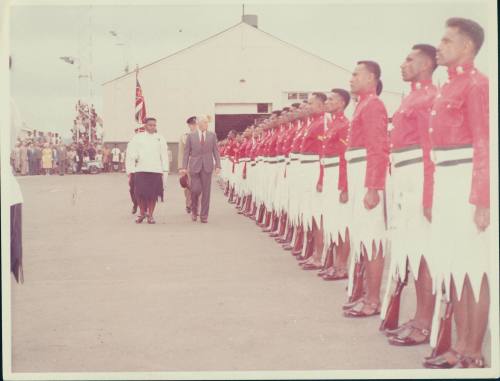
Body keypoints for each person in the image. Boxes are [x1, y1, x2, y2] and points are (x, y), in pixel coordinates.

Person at [423, 17, 490, 369]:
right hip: (447, 182)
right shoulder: (445, 88)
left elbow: (483, 141)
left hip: (465, 181)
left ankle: (473, 350)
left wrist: (482, 198)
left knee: (473, 267)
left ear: (466, 46)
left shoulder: (477, 84)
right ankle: (461, 344)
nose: (440, 46)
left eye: (447, 41)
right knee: (454, 264)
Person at [380, 44, 438, 347]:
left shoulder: (429, 97)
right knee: (412, 250)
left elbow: (431, 149)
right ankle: (417, 316)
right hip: (403, 175)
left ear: (427, 64)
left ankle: (426, 323)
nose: (403, 64)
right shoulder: (411, 96)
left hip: (417, 173)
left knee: (424, 252)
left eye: (410, 59)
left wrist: (428, 196)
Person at [343, 60, 389, 318]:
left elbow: (378, 147)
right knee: (362, 236)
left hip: (366, 175)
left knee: (372, 238)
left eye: (356, 74)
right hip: (357, 171)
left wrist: (373, 187)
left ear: (371, 77)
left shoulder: (373, 105)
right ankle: (362, 293)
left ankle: (373, 299)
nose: (351, 79)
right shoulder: (362, 105)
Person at [126, 117, 169, 224]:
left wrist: (165, 170)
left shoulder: (160, 138)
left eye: (154, 125)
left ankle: (150, 215)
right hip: (140, 169)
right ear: (145, 126)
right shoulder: (138, 138)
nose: (152, 127)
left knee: (153, 195)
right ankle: (142, 213)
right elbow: (131, 153)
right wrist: (131, 169)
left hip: (156, 170)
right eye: (150, 125)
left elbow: (164, 156)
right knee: (139, 193)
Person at [180, 116, 221, 223]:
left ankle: (204, 216)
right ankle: (194, 211)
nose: (205, 125)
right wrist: (184, 167)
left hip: (207, 166)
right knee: (195, 190)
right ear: (198, 124)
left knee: (206, 192)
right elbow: (186, 152)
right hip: (194, 166)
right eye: (203, 123)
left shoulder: (212, 135)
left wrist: (218, 165)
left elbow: (216, 151)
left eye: (206, 123)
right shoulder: (191, 136)